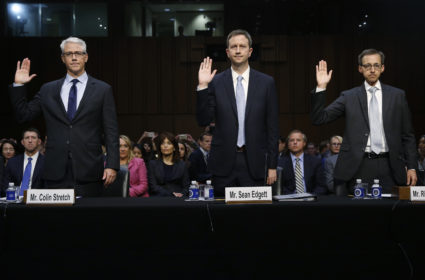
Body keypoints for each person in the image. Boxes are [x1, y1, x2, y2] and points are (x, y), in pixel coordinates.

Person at [9, 37, 119, 197]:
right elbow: (23, 115)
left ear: (85, 57)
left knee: (89, 220)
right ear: (63, 58)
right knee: (56, 221)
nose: (74, 57)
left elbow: (111, 131)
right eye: (69, 54)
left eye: (78, 53)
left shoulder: (102, 90)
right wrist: (19, 85)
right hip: (55, 171)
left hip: (89, 170)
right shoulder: (48, 89)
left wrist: (112, 165)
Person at [311, 49, 417, 193]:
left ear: (382, 68)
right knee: (358, 214)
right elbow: (319, 118)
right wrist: (321, 87)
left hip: (391, 166)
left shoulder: (397, 95)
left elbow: (408, 135)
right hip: (358, 166)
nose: (372, 70)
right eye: (367, 66)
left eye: (376, 65)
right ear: (360, 69)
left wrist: (411, 166)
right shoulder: (349, 96)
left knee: (391, 214)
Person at [196, 29, 279, 196]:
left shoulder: (266, 82)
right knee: (222, 219)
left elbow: (273, 128)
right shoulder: (216, 82)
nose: (238, 50)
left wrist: (271, 166)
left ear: (250, 51)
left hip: (255, 162)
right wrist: (203, 87)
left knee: (254, 217)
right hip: (223, 162)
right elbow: (203, 119)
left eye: (242, 46)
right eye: (234, 47)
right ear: (227, 52)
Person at [278, 130, 327, 195]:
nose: (295, 142)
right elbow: (278, 187)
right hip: (289, 200)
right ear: (288, 144)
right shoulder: (280, 162)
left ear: (304, 143)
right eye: (292, 140)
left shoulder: (315, 161)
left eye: (298, 140)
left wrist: (311, 196)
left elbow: (321, 186)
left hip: (311, 200)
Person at [2, 128, 45, 196]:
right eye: (27, 138)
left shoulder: (47, 162)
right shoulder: (12, 162)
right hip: (15, 203)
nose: (30, 141)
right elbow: (5, 185)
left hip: (38, 203)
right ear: (22, 142)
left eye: (33, 138)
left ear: (39, 142)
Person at [148, 132, 189, 197]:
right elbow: (153, 186)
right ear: (160, 147)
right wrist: (171, 194)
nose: (165, 146)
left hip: (178, 199)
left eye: (169, 143)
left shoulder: (182, 165)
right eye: (162, 143)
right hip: (159, 198)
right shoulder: (153, 164)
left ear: (174, 148)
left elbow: (186, 186)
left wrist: (181, 194)